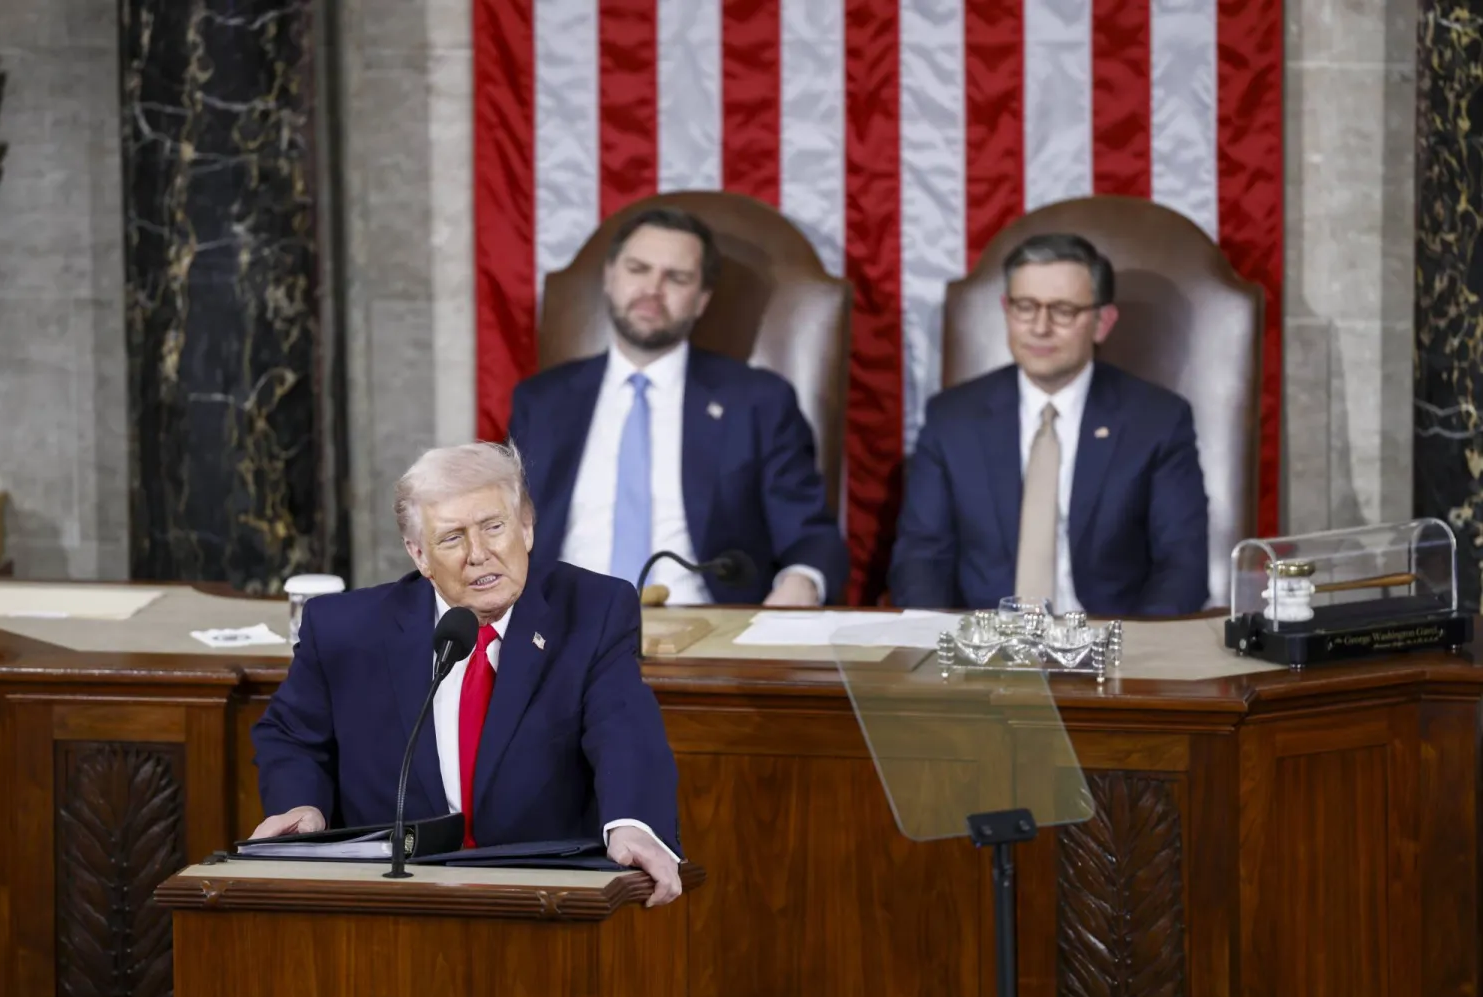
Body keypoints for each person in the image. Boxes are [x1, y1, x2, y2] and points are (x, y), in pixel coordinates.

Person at [250, 442, 683, 905]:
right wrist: (302, 805)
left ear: (527, 527)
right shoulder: (345, 630)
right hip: (395, 898)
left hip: (543, 894)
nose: (478, 554)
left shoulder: (593, 611)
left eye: (494, 527)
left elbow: (624, 728)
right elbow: (291, 734)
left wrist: (633, 823)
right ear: (419, 555)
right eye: (452, 538)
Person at [508, 207, 848, 606]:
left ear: (702, 299)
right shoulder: (543, 401)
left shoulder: (758, 401)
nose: (653, 288)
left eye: (677, 278)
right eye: (638, 269)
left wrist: (799, 585)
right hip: (561, 629)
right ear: (610, 276)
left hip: (706, 637)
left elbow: (810, 538)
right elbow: (506, 529)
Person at [889, 233, 1209, 616]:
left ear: (1102, 322)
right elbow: (920, 558)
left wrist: (1136, 654)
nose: (1040, 327)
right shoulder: (953, 418)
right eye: (1025, 307)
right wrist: (939, 644)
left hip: (1110, 650)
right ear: (1006, 310)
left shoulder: (1157, 420)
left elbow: (1182, 566)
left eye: (1062, 310)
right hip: (985, 654)